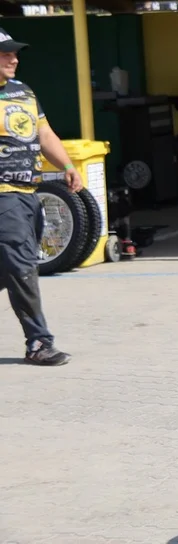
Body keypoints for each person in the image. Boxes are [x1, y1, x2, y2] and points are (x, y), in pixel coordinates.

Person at [0, 28, 80, 366]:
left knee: (10, 269)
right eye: (5, 54)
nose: (14, 58)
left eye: (15, 53)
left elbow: (43, 132)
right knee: (21, 267)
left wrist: (67, 164)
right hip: (3, 196)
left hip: (28, 194)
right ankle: (39, 343)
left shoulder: (23, 91)